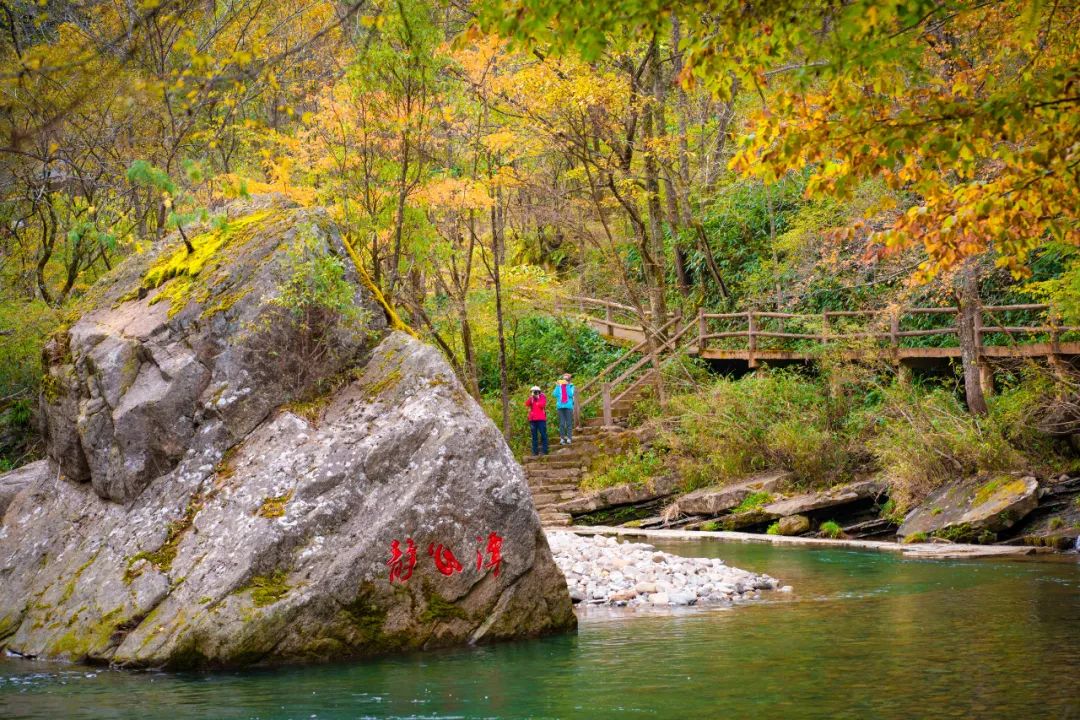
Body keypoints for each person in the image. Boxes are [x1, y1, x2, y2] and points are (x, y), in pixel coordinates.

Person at [525, 386, 549, 456]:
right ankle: (535, 451)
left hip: (541, 419)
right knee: (534, 436)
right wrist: (531, 397)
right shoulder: (531, 398)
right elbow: (526, 404)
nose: (535, 392)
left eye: (536, 391)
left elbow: (542, 405)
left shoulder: (542, 397)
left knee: (543, 434)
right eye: (533, 391)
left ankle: (545, 450)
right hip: (532, 419)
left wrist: (538, 398)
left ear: (539, 391)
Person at [553, 373, 575, 445]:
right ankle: (562, 438)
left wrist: (567, 385)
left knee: (569, 423)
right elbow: (554, 394)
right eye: (564, 379)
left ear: (569, 379)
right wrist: (557, 386)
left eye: (566, 379)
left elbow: (571, 395)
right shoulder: (559, 386)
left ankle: (569, 438)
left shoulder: (571, 386)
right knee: (561, 423)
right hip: (560, 406)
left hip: (568, 406)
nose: (565, 380)